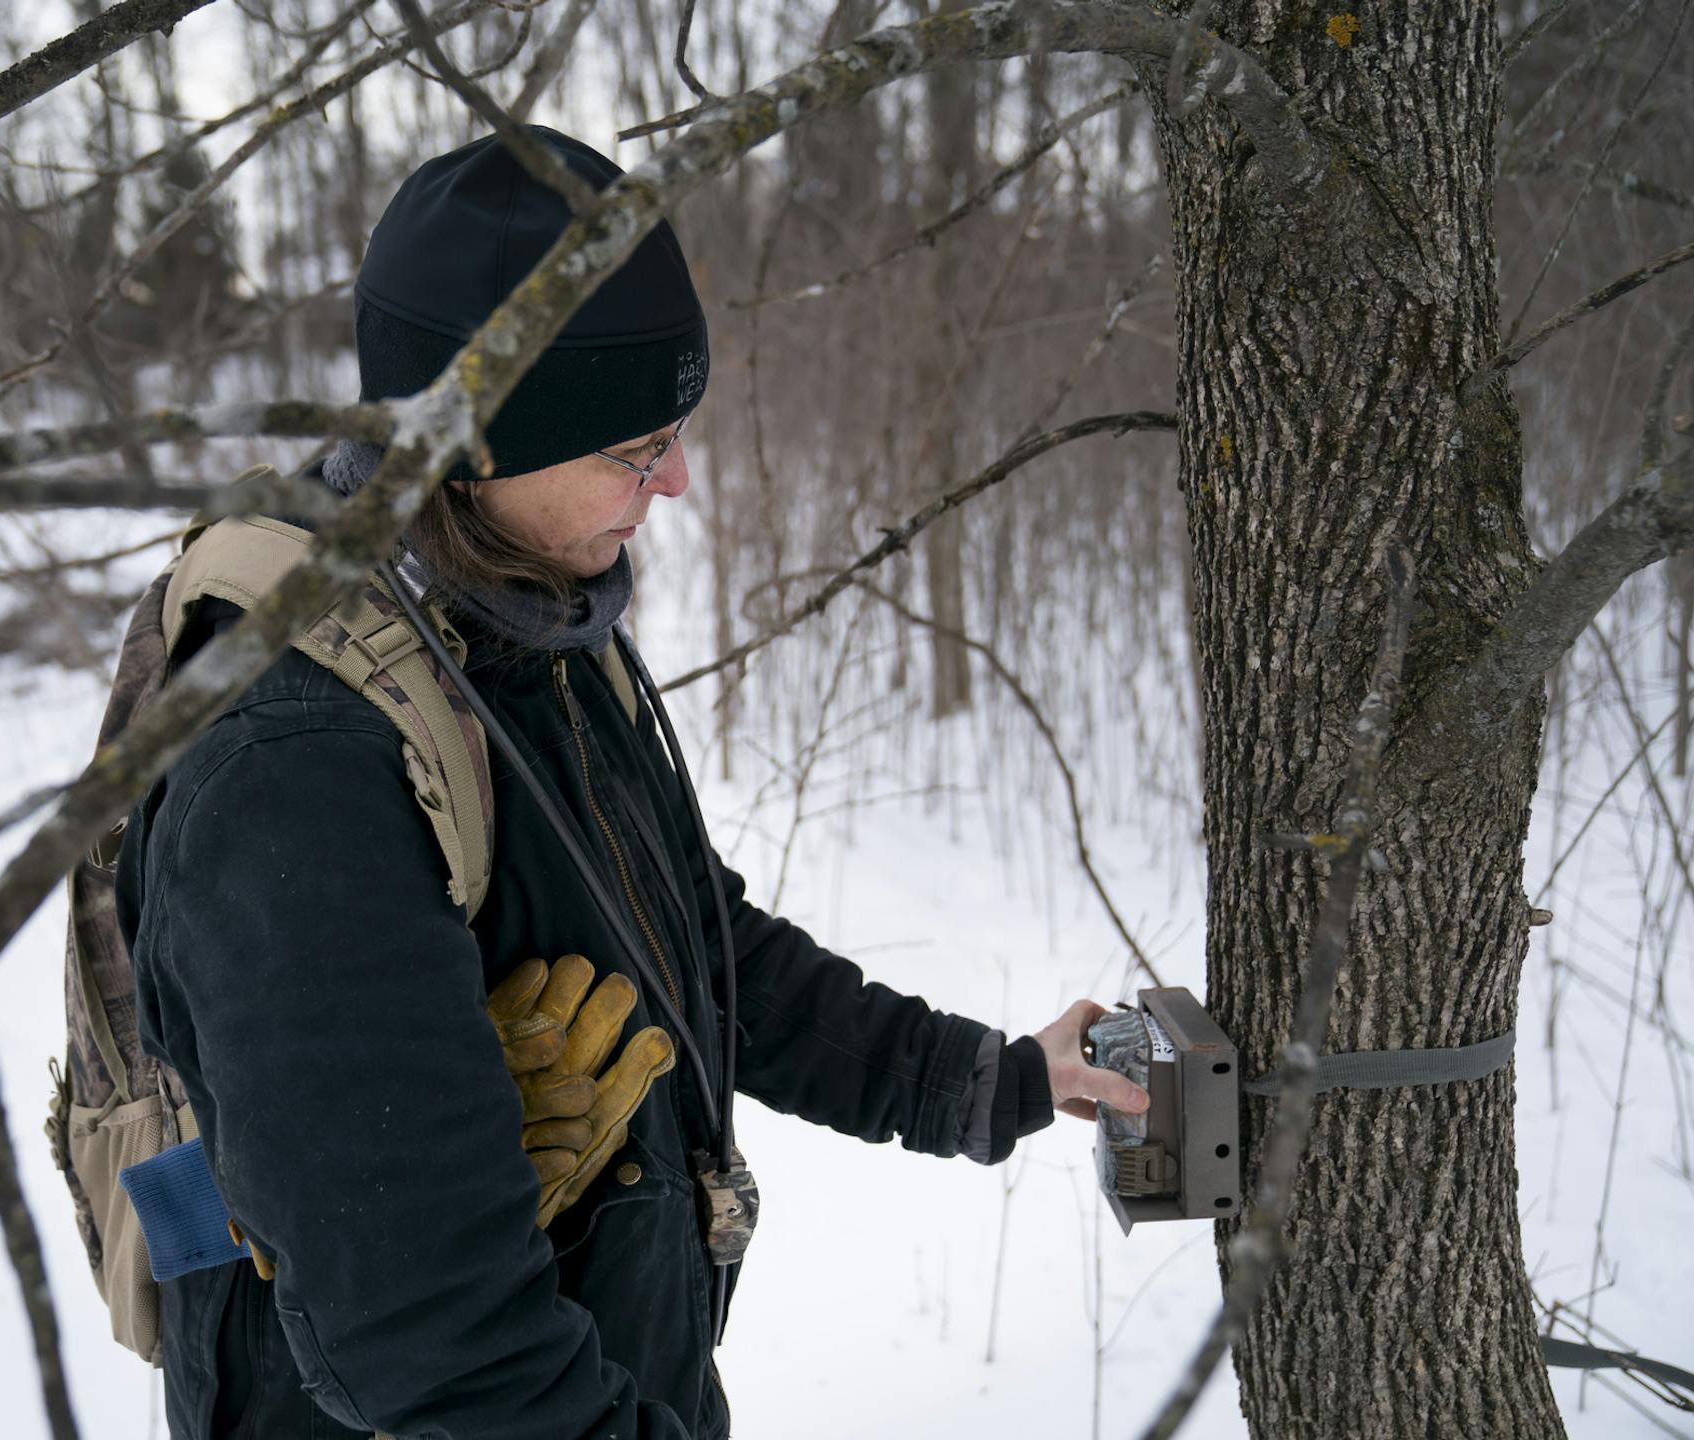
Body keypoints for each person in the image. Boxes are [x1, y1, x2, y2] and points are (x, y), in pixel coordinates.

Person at [114, 128, 1149, 1440]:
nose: (675, 481)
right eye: (633, 446)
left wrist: (991, 1082)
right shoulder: (296, 765)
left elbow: (703, 955)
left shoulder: (517, 621)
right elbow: (433, 1349)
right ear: (478, 440)